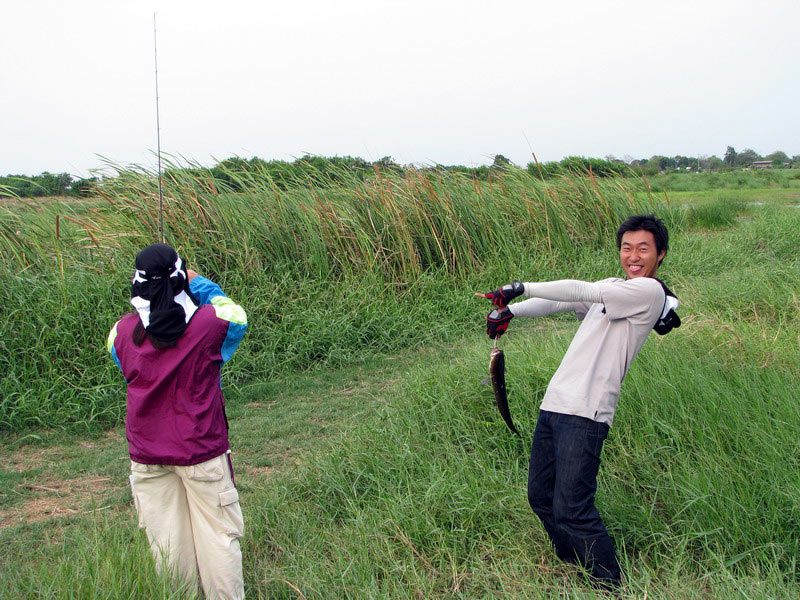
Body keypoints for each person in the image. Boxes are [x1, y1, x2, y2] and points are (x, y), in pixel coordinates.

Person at [477, 214, 680, 591]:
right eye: (626, 247)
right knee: (540, 497)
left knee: (573, 509)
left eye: (643, 249)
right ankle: (576, 564)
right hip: (555, 404)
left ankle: (609, 587)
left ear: (660, 255)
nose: (633, 256)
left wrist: (519, 287)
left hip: (587, 412)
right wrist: (509, 311)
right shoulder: (613, 287)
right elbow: (557, 302)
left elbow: (578, 289)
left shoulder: (649, 293)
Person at [106, 243, 248, 600]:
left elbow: (131, 368)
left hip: (147, 457)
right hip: (201, 450)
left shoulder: (120, 334)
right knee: (218, 536)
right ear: (180, 276)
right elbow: (236, 315)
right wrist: (198, 283)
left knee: (167, 546)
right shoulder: (211, 325)